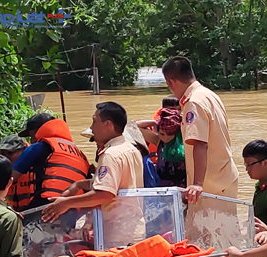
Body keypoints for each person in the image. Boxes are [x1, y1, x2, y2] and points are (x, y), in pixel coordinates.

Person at [42, 102, 145, 248]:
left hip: (116, 234)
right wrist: (79, 184)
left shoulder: (110, 154)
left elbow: (105, 194)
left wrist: (66, 203)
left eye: (94, 121)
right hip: (135, 229)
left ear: (107, 124)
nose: (91, 128)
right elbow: (118, 184)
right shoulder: (130, 149)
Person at [162, 56, 238, 203]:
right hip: (224, 178)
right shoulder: (208, 95)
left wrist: (197, 184)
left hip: (210, 187)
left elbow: (200, 143)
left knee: (209, 226)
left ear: (171, 82)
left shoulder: (194, 103)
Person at [12, 113, 91, 210]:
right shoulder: (80, 154)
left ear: (38, 131)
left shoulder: (38, 147)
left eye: (31, 136)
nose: (32, 140)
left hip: (47, 205)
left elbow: (11, 178)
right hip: (72, 209)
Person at [137, 108, 186, 188]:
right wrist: (157, 122)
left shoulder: (185, 144)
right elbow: (136, 126)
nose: (165, 138)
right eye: (162, 134)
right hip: (162, 186)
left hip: (181, 186)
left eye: (170, 134)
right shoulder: (158, 141)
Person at [0, 135, 31, 211]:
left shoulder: (35, 167)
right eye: (3, 153)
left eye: (10, 153)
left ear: (23, 150)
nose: (6, 157)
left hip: (32, 214)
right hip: (9, 215)